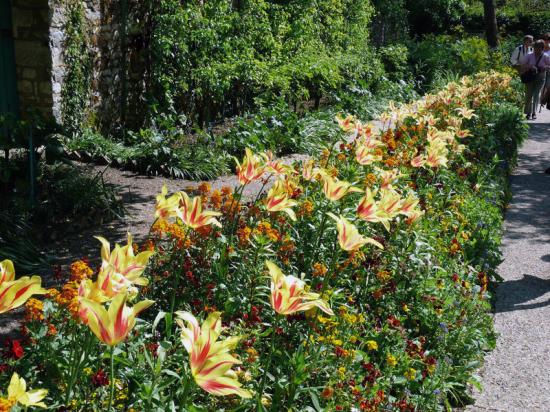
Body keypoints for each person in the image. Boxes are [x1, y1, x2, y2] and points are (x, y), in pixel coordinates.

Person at [520, 40, 550, 120]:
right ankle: (528, 112)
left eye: (539, 48)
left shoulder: (546, 56)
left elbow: (549, 66)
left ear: (542, 48)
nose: (537, 49)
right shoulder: (529, 55)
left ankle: (534, 112)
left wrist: (545, 67)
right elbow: (522, 65)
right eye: (536, 47)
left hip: (541, 77)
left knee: (536, 95)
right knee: (529, 95)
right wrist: (530, 66)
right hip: (530, 76)